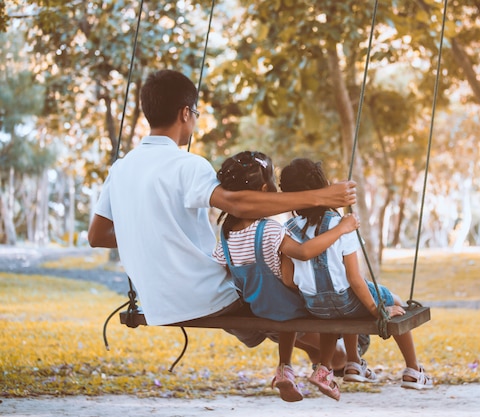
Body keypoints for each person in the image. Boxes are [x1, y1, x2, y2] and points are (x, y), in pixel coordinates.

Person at [87, 70, 356, 366]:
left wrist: (148, 230)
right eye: (196, 113)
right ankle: (337, 355)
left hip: (159, 303)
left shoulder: (121, 169)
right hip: (210, 296)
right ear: (185, 113)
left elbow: (97, 236)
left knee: (266, 309)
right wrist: (321, 197)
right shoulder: (187, 165)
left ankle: (312, 359)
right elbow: (237, 204)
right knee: (279, 294)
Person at [212, 151, 357, 402]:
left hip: (259, 308)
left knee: (285, 304)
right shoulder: (268, 229)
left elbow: (222, 267)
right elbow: (302, 252)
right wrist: (342, 228)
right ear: (267, 190)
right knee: (322, 305)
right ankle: (324, 368)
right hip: (289, 308)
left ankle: (284, 369)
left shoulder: (226, 236)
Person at [279, 158, 434, 390]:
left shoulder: (288, 230)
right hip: (346, 301)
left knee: (343, 304)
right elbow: (354, 278)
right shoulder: (343, 225)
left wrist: (313, 289)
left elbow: (288, 280)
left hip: (315, 307)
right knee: (393, 301)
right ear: (325, 187)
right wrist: (378, 311)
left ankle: (354, 364)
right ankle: (413, 369)